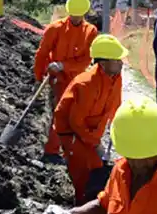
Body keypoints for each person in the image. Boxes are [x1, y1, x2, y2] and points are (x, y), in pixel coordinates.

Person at [53, 33, 126, 204]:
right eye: (117, 60)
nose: (121, 62)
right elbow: (76, 122)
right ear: (102, 63)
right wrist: (96, 143)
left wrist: (119, 131)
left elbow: (115, 106)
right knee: (83, 172)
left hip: (90, 130)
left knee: (96, 165)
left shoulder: (116, 77)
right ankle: (81, 210)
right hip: (71, 131)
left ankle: (95, 204)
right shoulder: (86, 84)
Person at [34, 0, 100, 163]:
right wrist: (38, 76)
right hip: (57, 79)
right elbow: (42, 53)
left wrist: (64, 65)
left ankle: (75, 150)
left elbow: (86, 59)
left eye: (79, 15)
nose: (76, 17)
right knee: (60, 114)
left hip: (78, 79)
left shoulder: (90, 31)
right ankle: (51, 152)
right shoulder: (55, 28)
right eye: (73, 14)